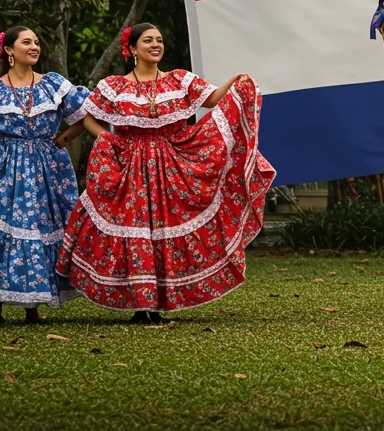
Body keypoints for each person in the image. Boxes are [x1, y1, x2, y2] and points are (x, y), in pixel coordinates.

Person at [55, 23, 276, 323]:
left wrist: (235, 83)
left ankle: (157, 303)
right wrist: (102, 137)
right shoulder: (114, 86)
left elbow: (211, 100)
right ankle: (141, 306)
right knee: (136, 230)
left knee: (162, 229)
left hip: (170, 163)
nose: (155, 44)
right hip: (130, 165)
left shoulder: (179, 80)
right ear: (132, 49)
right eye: (147, 40)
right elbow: (90, 117)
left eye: (159, 40)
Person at [0, 27, 90, 325]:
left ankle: (32, 306)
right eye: (27, 42)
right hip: (5, 166)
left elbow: (86, 114)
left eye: (37, 42)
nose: (34, 46)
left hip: (47, 168)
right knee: (1, 228)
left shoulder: (53, 84)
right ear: (9, 50)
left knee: (39, 227)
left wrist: (62, 139)